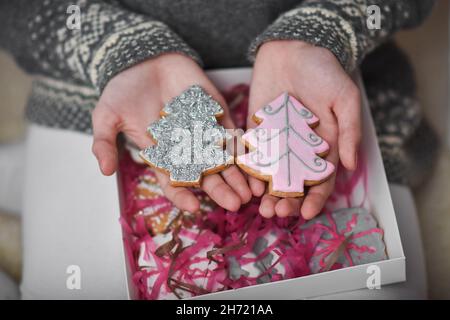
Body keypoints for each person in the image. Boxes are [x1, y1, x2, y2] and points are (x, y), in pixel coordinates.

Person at [0, 0, 438, 299]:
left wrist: (324, 29)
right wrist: (120, 48)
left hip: (331, 85)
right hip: (101, 91)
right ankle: (24, 174)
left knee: (386, 288)